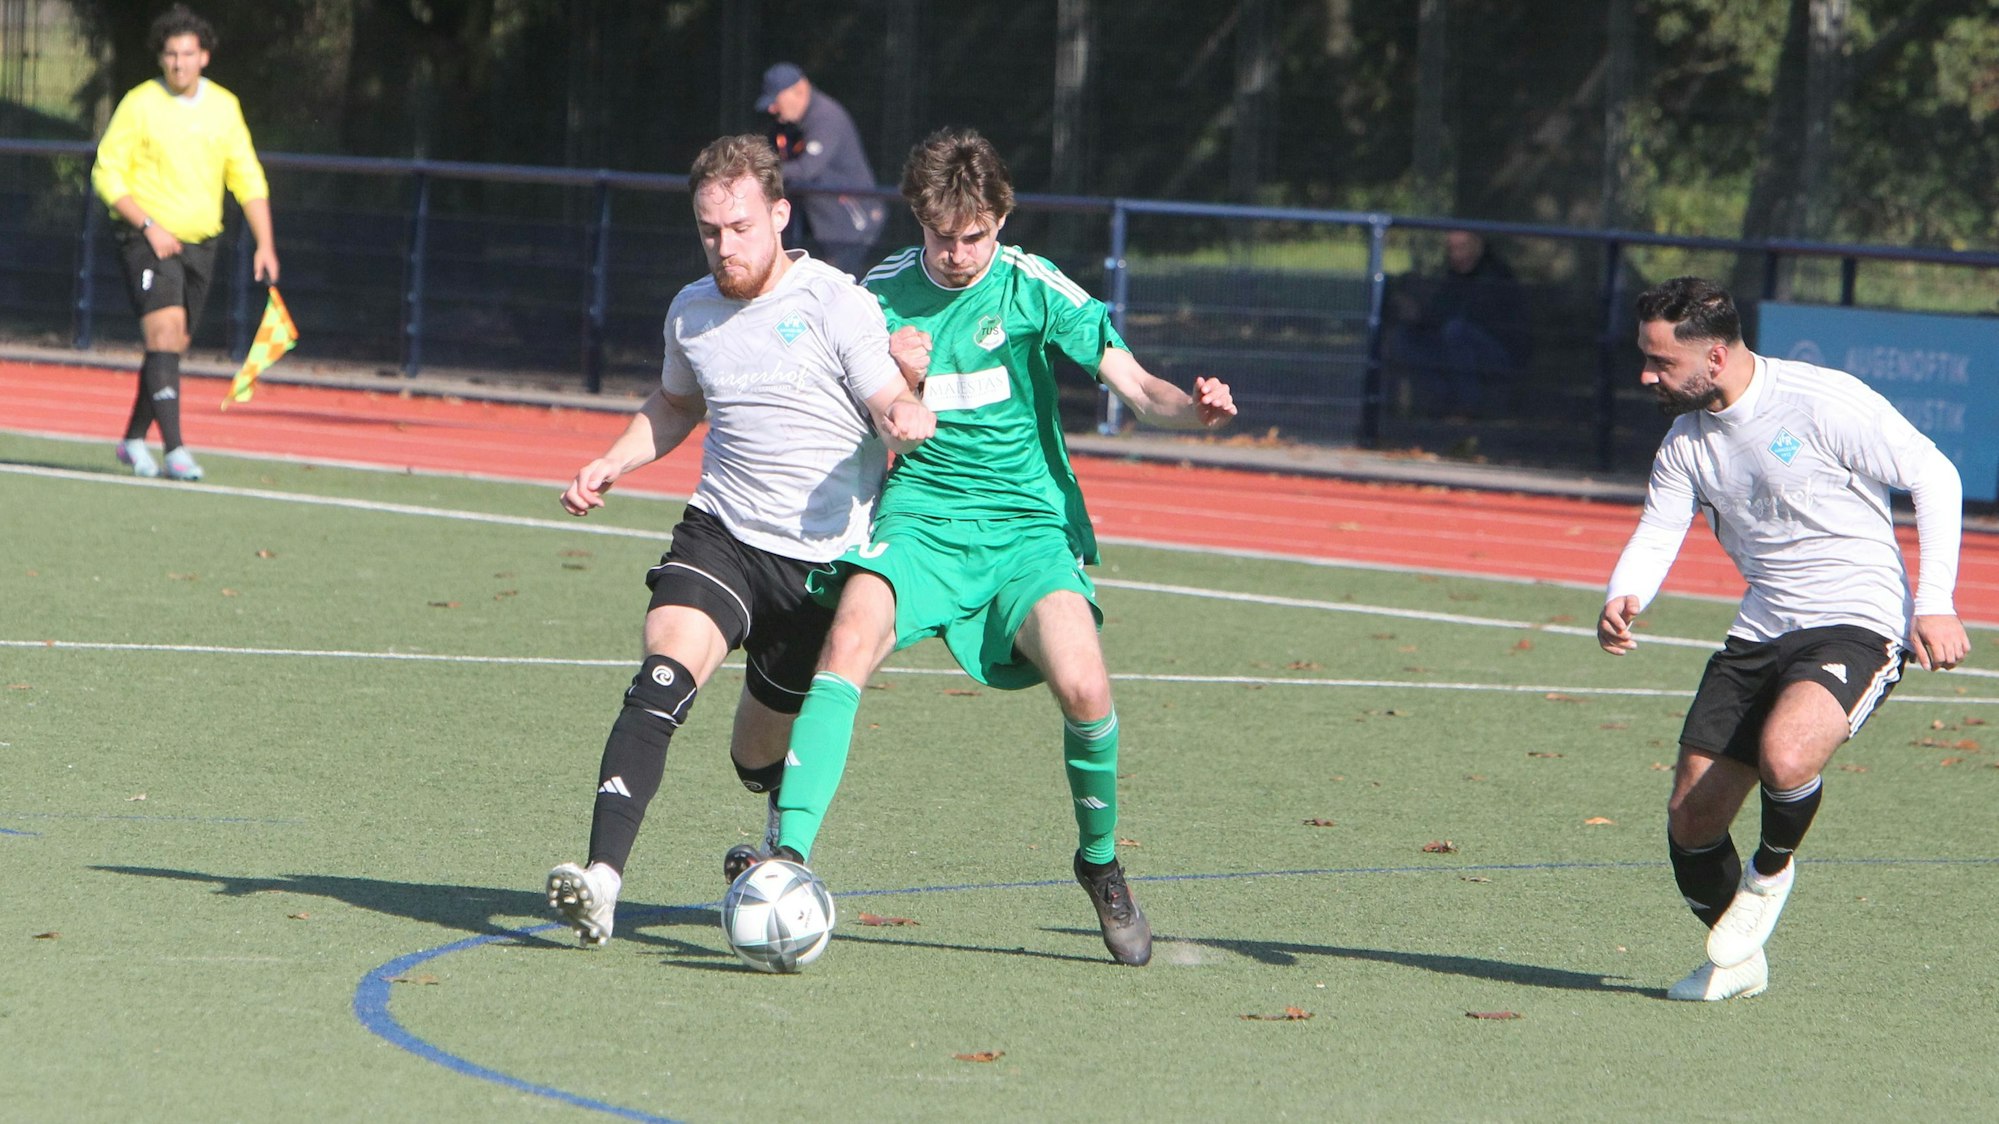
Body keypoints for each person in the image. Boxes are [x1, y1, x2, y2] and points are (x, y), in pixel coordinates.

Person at [760, 126, 1238, 968]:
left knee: (1086, 688)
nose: (955, 254)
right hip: (921, 521)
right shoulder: (875, 296)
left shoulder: (1028, 285)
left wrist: (1189, 410)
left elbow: (1133, 382)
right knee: (847, 643)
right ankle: (786, 857)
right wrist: (896, 380)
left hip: (1025, 531)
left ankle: (1099, 865)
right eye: (941, 236)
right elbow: (852, 416)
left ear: (1000, 219)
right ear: (917, 219)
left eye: (973, 236)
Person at [543, 134, 934, 948]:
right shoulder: (692, 311)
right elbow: (676, 405)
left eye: (741, 227)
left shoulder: (834, 301)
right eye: (710, 231)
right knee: (660, 676)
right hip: (721, 535)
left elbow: (887, 399)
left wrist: (907, 409)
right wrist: (613, 459)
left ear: (780, 216)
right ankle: (601, 882)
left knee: (757, 754)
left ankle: (772, 842)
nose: (725, 246)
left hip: (819, 568)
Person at [1597, 276, 1968, 1001]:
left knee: (1787, 753)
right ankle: (1738, 962)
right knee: (1690, 821)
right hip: (1761, 627)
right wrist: (1624, 592)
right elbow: (1658, 528)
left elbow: (1934, 474)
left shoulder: (1818, 400)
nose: (1646, 375)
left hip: (1857, 618)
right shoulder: (1684, 443)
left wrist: (1934, 603)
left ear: (1715, 355)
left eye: (1661, 362)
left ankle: (1768, 874)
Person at [91, 4, 279, 482]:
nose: (178, 63)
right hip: (147, 240)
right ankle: (175, 450)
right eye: (171, 55)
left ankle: (133, 439)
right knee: (163, 334)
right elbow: (107, 173)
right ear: (161, 59)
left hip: (201, 244)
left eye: (187, 54)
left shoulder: (224, 107)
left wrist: (265, 243)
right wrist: (149, 224)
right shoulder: (140, 104)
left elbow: (247, 176)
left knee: (171, 345)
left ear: (205, 57)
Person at [756, 62, 885, 277]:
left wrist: (757, 172)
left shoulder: (826, 116)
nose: (772, 109)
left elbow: (806, 169)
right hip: (816, 228)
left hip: (851, 227)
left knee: (837, 291)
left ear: (800, 90)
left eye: (776, 101)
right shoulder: (786, 124)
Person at [1389, 229, 1530, 418]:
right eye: (1451, 248)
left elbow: (1473, 320)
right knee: (1404, 337)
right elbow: (1437, 315)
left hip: (1496, 353)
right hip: (1454, 346)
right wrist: (1417, 316)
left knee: (1456, 331)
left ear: (1477, 245)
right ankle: (1428, 406)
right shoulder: (1453, 277)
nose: (1457, 255)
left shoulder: (1496, 276)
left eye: (1462, 247)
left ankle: (1467, 408)